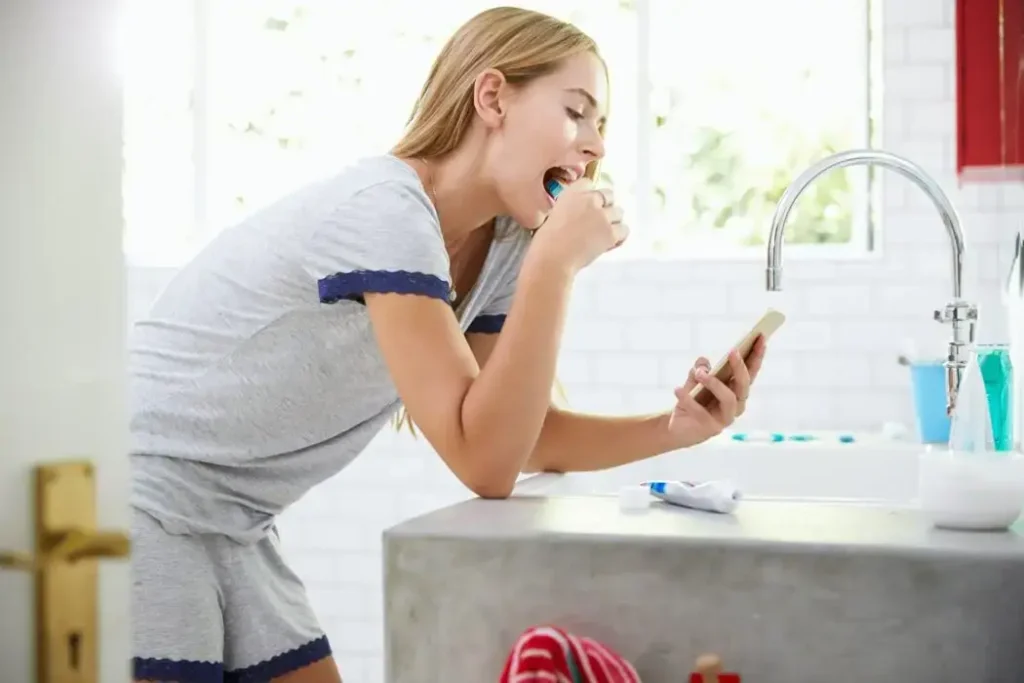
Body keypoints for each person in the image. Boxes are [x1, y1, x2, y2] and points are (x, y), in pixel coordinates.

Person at [128, 6, 768, 683]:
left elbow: (522, 439)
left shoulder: (505, 245)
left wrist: (673, 429)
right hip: (145, 497)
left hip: (239, 524)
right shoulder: (387, 210)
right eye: (576, 112)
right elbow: (483, 463)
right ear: (492, 97)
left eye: (602, 125)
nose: (597, 147)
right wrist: (554, 266)